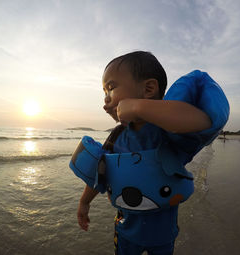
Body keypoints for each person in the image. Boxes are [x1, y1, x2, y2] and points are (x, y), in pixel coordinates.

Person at [76, 51, 229, 254]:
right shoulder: (115, 137)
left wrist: (140, 108)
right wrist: (84, 202)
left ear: (148, 89)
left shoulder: (169, 130)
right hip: (125, 231)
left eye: (111, 88)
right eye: (104, 92)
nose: (105, 100)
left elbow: (203, 122)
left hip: (163, 236)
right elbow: (100, 171)